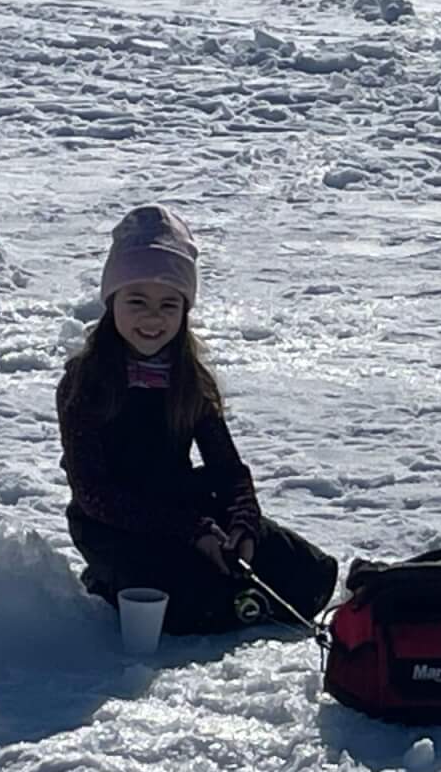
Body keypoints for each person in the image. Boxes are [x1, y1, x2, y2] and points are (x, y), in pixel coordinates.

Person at [57, 204, 337, 633]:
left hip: (186, 510)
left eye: (169, 304)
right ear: (112, 303)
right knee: (182, 600)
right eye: (137, 301)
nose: (153, 317)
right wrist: (191, 530)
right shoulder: (85, 381)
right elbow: (93, 492)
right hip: (115, 525)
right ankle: (110, 583)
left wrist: (243, 524)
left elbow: (228, 469)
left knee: (308, 576)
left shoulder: (189, 379)